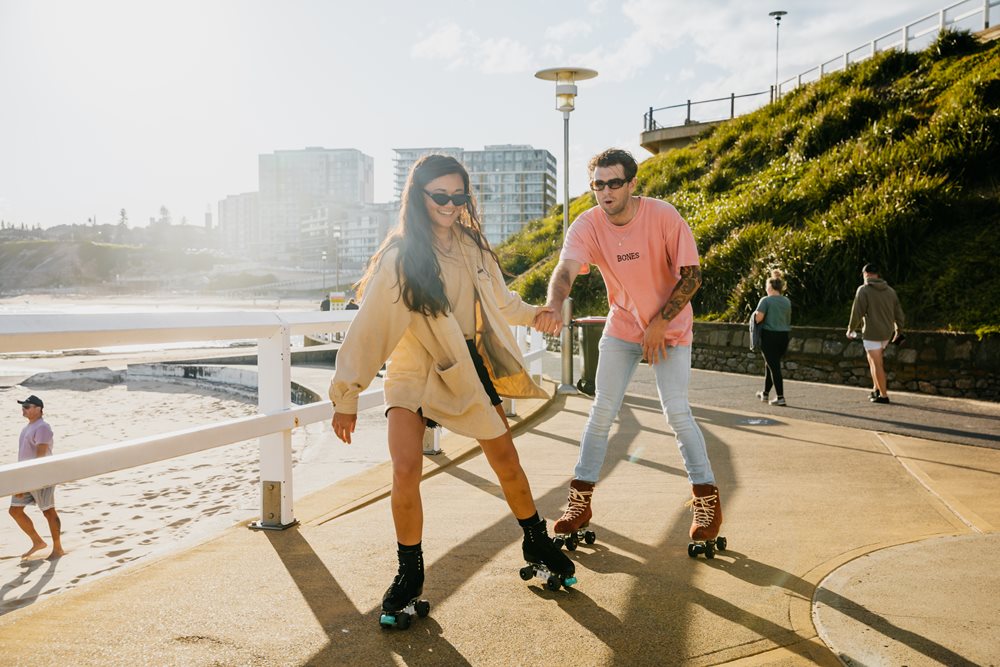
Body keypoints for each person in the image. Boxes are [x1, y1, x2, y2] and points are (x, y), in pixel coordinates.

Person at [329, 155, 575, 626]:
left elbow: (502, 302)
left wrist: (540, 314)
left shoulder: (472, 246)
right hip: (414, 366)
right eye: (439, 195)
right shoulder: (402, 256)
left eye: (458, 195)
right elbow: (370, 329)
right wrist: (347, 395)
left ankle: (536, 540)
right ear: (419, 196)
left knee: (506, 460)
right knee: (405, 470)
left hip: (466, 364)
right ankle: (409, 575)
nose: (449, 204)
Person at [535, 148, 724, 554]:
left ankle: (706, 500)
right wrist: (554, 304)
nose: (605, 191)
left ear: (632, 183)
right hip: (622, 325)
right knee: (602, 409)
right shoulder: (588, 225)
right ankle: (580, 500)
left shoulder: (662, 215)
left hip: (670, 328)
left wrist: (659, 323)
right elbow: (565, 271)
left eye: (614, 183)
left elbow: (692, 276)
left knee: (676, 410)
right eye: (598, 184)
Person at [9, 395, 64, 560]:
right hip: (25, 475)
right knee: (15, 511)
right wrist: (20, 480)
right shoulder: (27, 428)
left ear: (39, 409)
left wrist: (28, 481)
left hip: (40, 475)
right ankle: (38, 542)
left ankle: (58, 548)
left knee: (48, 511)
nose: (24, 408)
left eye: (27, 406)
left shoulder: (42, 427)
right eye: (23, 406)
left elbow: (40, 457)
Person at [847, 263, 905, 404]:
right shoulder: (890, 291)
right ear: (878, 274)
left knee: (877, 364)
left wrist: (851, 329)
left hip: (872, 333)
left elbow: (857, 312)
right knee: (873, 360)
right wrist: (899, 330)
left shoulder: (863, 290)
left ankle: (884, 396)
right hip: (887, 333)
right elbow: (899, 313)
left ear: (866, 274)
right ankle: (876, 389)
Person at [753, 269, 792, 406]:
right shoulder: (787, 301)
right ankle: (765, 394)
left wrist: (754, 315)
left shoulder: (766, 301)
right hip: (784, 336)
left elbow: (758, 318)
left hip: (769, 336)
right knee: (770, 364)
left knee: (774, 367)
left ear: (769, 287)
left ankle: (780, 397)